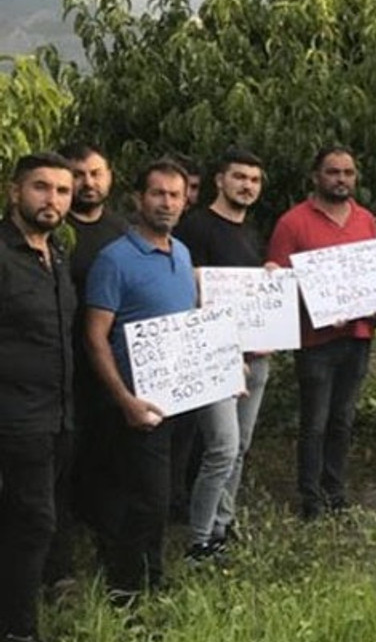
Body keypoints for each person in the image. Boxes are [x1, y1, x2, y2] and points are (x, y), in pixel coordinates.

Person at [84, 158, 204, 597]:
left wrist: (227, 369)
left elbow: (192, 325)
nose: (167, 203)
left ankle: (154, 576)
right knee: (144, 498)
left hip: (183, 399)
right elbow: (95, 337)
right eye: (158, 193)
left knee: (166, 496)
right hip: (139, 404)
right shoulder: (114, 260)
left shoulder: (183, 252)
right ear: (138, 198)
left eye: (175, 195)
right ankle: (125, 589)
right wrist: (125, 400)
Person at [267, 146, 376, 520]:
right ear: (316, 176)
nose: (341, 179)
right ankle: (311, 496)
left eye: (348, 173)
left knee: (343, 419)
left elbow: (375, 275)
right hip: (315, 340)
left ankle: (335, 489)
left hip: (359, 335)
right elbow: (277, 285)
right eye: (333, 172)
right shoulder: (293, 222)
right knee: (314, 422)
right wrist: (317, 306)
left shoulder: (366, 219)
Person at [172, 148, 271, 554]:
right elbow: (189, 296)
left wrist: (271, 284)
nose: (247, 186)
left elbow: (253, 298)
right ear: (219, 180)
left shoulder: (252, 233)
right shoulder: (194, 229)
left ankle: (221, 524)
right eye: (239, 177)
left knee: (240, 448)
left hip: (256, 356)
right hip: (215, 357)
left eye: (254, 180)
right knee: (221, 448)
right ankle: (199, 540)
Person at [43, 144, 129, 589]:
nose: (88, 183)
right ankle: (58, 568)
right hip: (58, 371)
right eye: (78, 175)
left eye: (96, 173)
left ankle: (106, 545)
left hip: (111, 373)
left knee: (108, 462)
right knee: (60, 470)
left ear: (110, 176)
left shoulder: (122, 232)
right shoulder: (54, 231)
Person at [0, 153, 75, 642]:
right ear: (14, 192)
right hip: (14, 416)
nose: (52, 200)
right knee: (34, 523)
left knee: (27, 521)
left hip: (58, 415)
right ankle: (19, 630)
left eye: (62, 191)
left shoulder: (55, 255)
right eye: (41, 188)